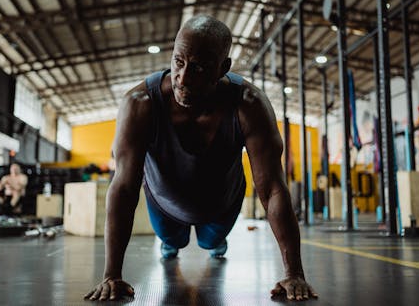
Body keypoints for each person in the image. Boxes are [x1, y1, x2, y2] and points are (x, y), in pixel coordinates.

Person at [85, 15, 317, 302]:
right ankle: (170, 244)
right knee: (173, 240)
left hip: (221, 205)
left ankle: (216, 242)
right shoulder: (140, 104)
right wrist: (111, 275)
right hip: (164, 203)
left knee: (210, 242)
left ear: (223, 68)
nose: (183, 78)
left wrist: (293, 272)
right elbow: (123, 187)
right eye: (178, 62)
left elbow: (272, 189)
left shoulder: (249, 105)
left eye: (198, 68)